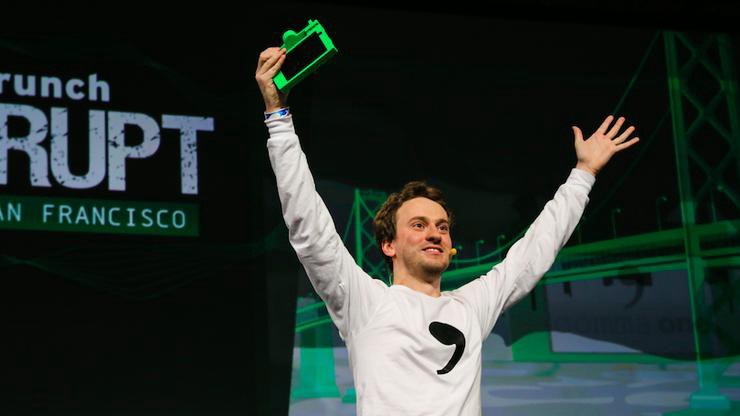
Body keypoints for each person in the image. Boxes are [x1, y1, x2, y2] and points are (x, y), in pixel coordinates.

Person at [255, 46, 639, 415]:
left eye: (442, 227)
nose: (435, 234)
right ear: (388, 245)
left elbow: (534, 252)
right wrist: (278, 117)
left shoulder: (469, 307)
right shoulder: (365, 303)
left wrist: (583, 174)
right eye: (418, 225)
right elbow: (310, 228)